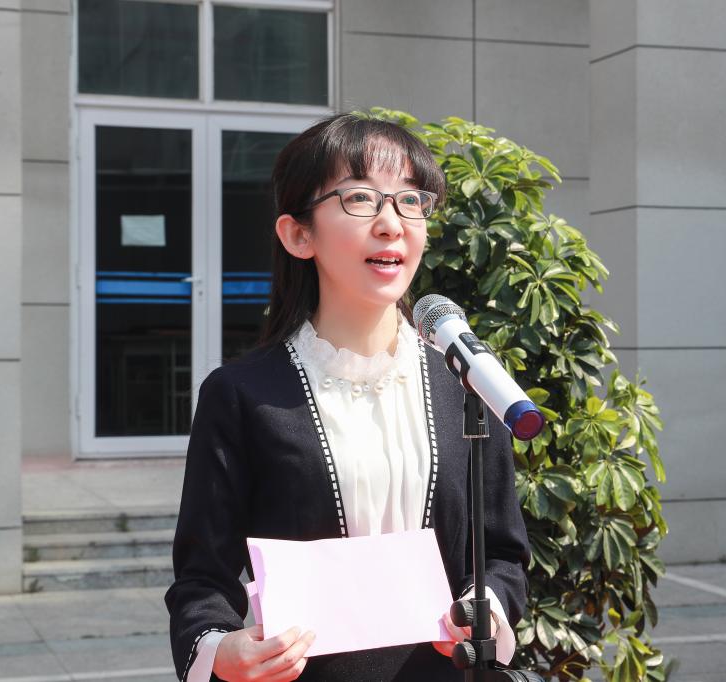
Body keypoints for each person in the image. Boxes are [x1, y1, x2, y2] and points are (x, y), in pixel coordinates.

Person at [165, 113, 531, 682]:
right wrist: (222, 649)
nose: (391, 224)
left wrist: (486, 608)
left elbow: (503, 555)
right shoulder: (241, 395)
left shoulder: (464, 382)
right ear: (298, 235)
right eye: (360, 198)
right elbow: (201, 579)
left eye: (411, 200)